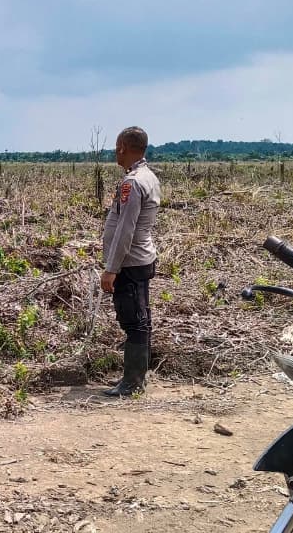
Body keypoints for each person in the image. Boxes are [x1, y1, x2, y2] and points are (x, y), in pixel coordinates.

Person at [99, 126, 161, 397]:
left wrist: (111, 269)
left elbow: (126, 229)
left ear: (123, 147)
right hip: (140, 259)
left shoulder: (133, 182)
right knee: (140, 319)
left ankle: (133, 383)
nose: (115, 152)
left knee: (135, 321)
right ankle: (136, 379)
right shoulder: (147, 177)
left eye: (116, 147)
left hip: (130, 262)